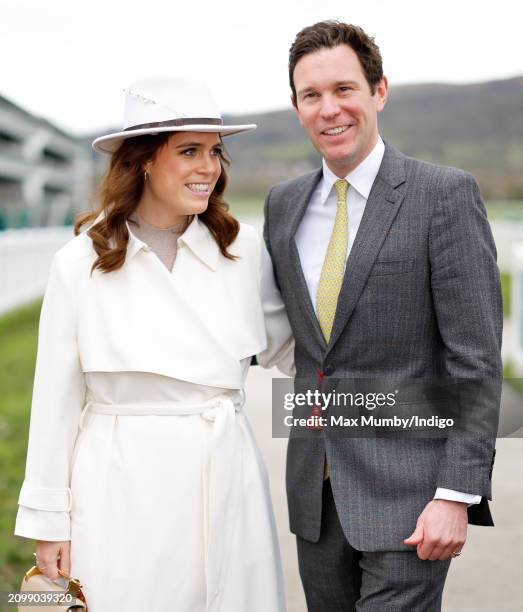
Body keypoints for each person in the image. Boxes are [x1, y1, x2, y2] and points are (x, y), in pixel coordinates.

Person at [14, 76, 293, 612]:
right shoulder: (80, 262)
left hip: (225, 473)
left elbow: (288, 350)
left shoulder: (242, 248)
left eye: (214, 151)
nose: (208, 167)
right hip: (120, 482)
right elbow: (55, 403)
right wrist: (49, 522)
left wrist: (390, 403)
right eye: (189, 151)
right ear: (142, 160)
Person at [263, 21, 502, 611]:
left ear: (379, 91)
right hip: (315, 499)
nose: (329, 110)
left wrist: (456, 493)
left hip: (412, 501)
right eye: (311, 95)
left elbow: (474, 360)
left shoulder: (443, 194)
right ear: (296, 107)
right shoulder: (283, 205)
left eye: (344, 89)